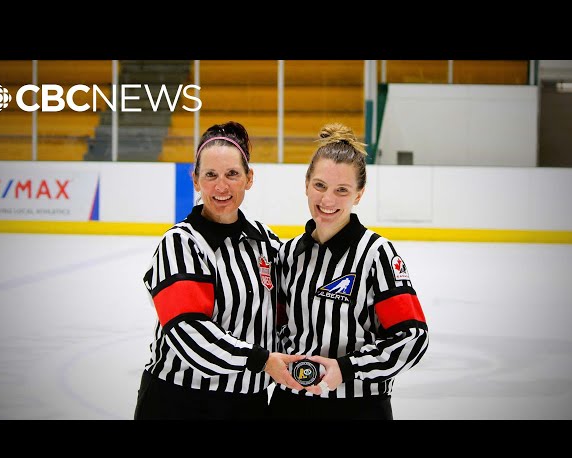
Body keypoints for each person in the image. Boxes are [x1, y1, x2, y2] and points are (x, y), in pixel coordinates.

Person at [134, 121, 305, 420]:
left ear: (249, 178)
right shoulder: (180, 244)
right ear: (196, 179)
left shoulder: (266, 242)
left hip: (248, 405)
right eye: (210, 175)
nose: (221, 186)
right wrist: (261, 360)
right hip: (179, 403)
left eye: (232, 174)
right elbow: (188, 334)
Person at [268, 122, 429, 420]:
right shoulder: (288, 255)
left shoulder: (376, 255)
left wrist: (347, 368)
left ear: (358, 194)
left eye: (342, 190)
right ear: (306, 184)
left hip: (358, 408)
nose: (327, 200)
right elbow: (272, 329)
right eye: (320, 186)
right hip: (288, 405)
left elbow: (412, 337)